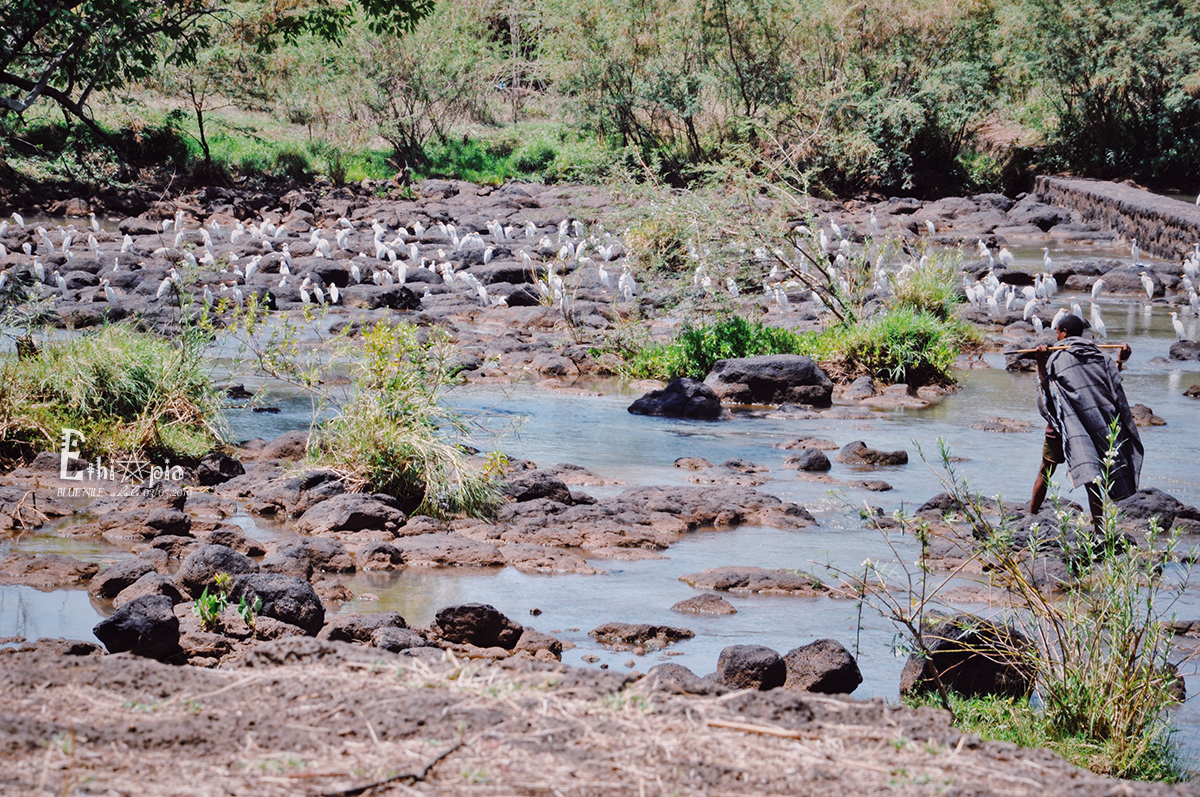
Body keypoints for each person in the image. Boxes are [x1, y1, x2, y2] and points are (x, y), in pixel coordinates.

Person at [1029, 314, 1142, 536]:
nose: (1056, 337)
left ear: (1063, 332)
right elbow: (1108, 384)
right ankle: (1100, 531)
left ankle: (1030, 517)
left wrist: (1040, 363)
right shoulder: (1097, 356)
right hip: (1090, 427)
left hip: (1061, 426)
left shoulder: (1058, 356)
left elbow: (1047, 385)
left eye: (1057, 332)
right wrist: (1119, 361)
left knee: (1046, 470)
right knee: (1093, 477)